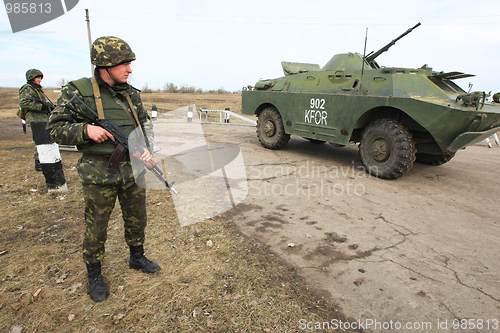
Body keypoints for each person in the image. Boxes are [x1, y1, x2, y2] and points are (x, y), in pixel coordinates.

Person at [47, 36, 160, 302]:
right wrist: (86, 130)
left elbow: (145, 124)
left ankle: (137, 257)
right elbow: (54, 128)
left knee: (137, 217)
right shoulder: (78, 91)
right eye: (124, 64)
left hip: (133, 169)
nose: (129, 70)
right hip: (99, 173)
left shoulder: (131, 93)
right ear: (104, 65)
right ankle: (94, 273)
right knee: (97, 224)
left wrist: (147, 148)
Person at [19, 69, 68, 192]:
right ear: (31, 78)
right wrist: (42, 106)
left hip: (42, 119)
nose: (39, 80)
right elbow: (25, 103)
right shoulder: (27, 88)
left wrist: (48, 106)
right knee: (42, 144)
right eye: (37, 77)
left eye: (40, 77)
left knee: (46, 144)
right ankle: (41, 164)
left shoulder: (37, 88)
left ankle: (40, 162)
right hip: (36, 120)